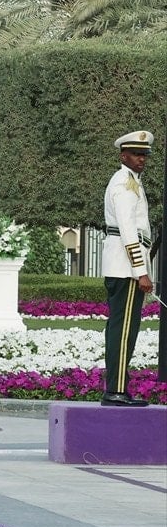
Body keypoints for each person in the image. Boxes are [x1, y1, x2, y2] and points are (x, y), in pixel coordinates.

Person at [101, 130, 155, 407]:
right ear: (123, 156)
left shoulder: (131, 182)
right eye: (136, 154)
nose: (141, 159)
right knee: (123, 331)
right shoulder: (124, 183)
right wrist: (140, 271)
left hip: (123, 266)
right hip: (125, 267)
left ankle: (117, 388)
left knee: (122, 329)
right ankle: (116, 390)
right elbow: (128, 231)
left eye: (144, 155)